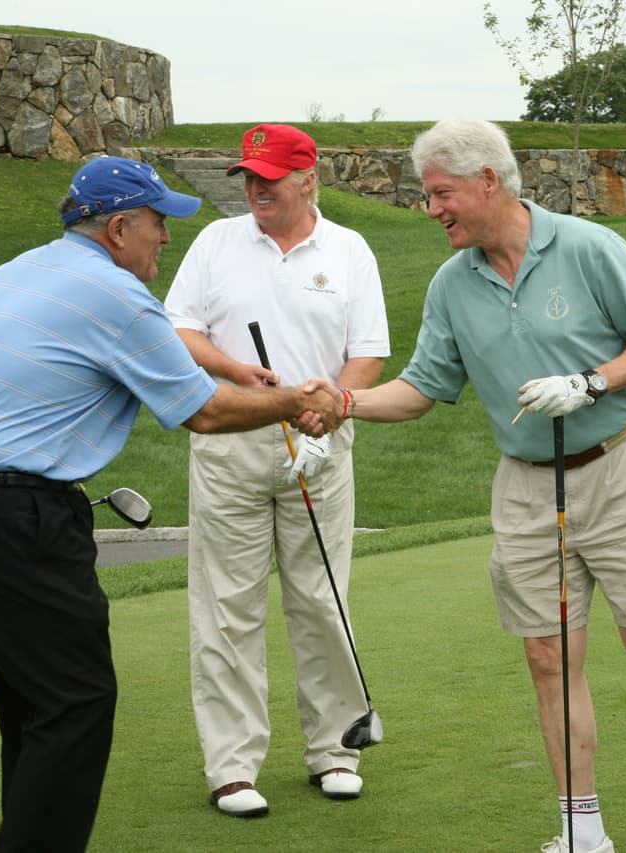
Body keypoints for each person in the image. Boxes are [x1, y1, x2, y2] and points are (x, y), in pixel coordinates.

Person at [317, 119, 626, 853]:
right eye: (427, 195)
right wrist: (342, 402)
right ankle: (581, 830)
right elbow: (421, 388)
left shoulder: (589, 247)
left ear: (489, 181)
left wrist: (589, 382)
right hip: (529, 484)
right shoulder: (451, 283)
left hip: (623, 465)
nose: (431, 208)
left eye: (442, 193)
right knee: (547, 656)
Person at [0, 156, 339, 853]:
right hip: (20, 513)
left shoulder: (15, 270)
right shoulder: (116, 294)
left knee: (29, 701)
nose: (164, 239)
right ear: (118, 228)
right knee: (75, 700)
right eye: (156, 223)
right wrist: (296, 400)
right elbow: (203, 412)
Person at [163, 123, 390, 816]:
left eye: (269, 177)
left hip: (319, 443)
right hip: (233, 439)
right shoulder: (215, 242)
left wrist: (332, 409)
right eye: (249, 177)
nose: (255, 188)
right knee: (226, 606)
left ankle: (334, 750)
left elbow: (368, 351)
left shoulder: (348, 249)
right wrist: (235, 369)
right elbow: (179, 328)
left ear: (307, 179)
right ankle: (231, 767)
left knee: (322, 597)